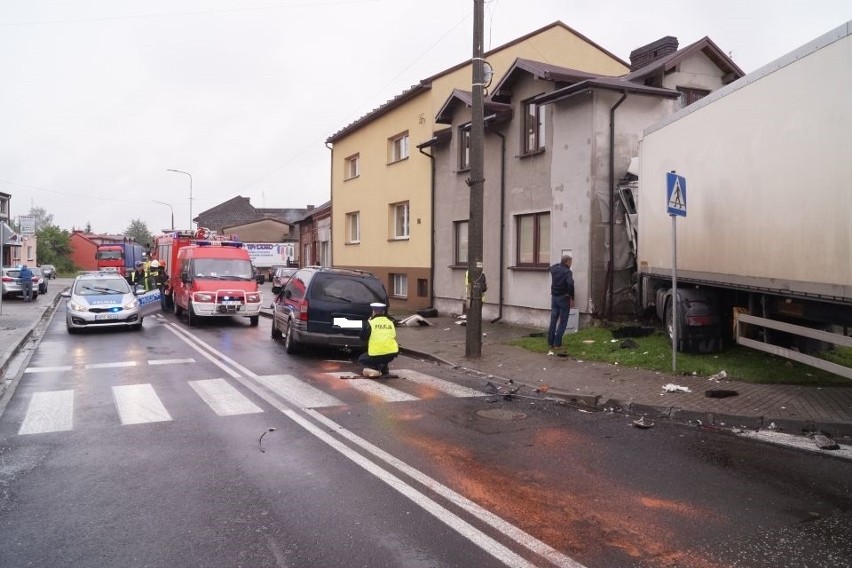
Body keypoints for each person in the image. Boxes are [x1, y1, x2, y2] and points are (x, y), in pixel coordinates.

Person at [358, 302, 399, 377]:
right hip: (392, 353)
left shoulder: (370, 323)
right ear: (383, 312)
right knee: (384, 354)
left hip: (376, 354)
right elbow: (393, 335)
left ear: (373, 311)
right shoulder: (390, 322)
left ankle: (375, 369)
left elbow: (363, 337)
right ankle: (384, 367)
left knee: (361, 359)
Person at [546, 254, 575, 355]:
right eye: (570, 262)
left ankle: (550, 343)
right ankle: (557, 344)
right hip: (563, 298)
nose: (571, 264)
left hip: (554, 298)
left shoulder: (554, 268)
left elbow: (550, 267)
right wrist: (571, 296)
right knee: (562, 322)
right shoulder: (567, 272)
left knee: (553, 321)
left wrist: (559, 264)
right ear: (567, 262)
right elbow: (570, 284)